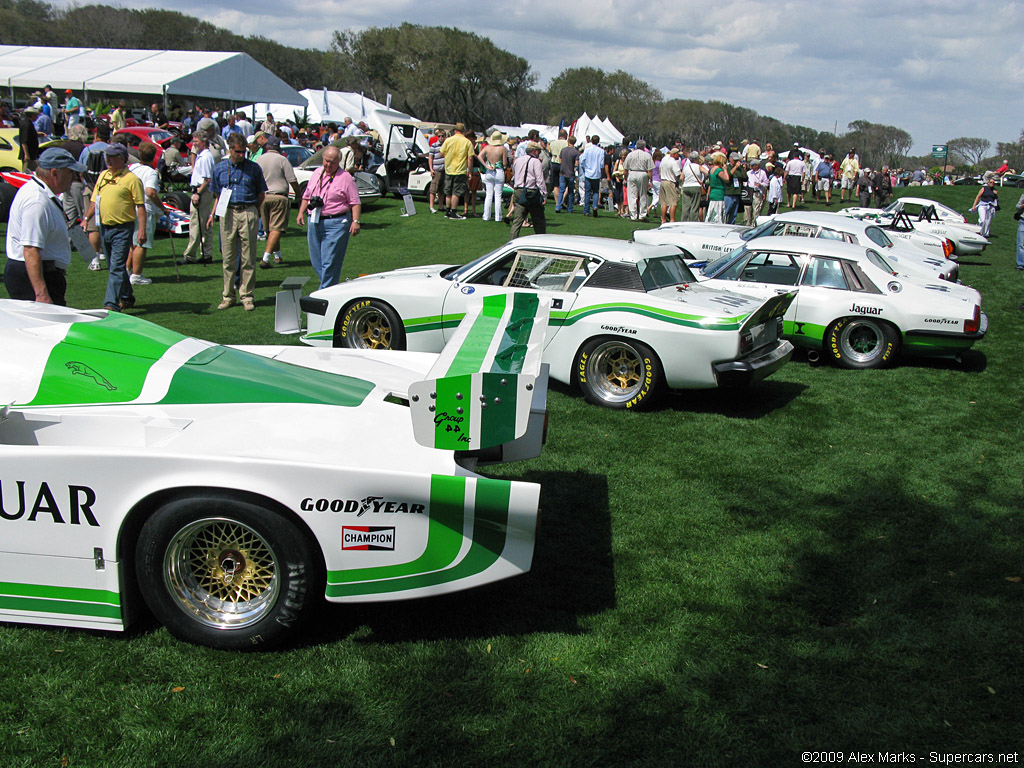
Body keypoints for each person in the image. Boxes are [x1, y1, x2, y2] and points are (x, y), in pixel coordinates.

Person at [4, 147, 84, 305]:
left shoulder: (41, 192)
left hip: (39, 273)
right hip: (34, 275)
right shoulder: (37, 201)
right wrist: (41, 294)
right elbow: (31, 250)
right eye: (70, 172)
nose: (74, 177)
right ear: (55, 173)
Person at [83, 143, 146, 313]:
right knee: (114, 267)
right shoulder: (103, 175)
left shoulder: (132, 179)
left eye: (112, 157)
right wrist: (86, 218)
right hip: (104, 227)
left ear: (123, 159)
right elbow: (94, 200)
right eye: (107, 157)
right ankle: (126, 296)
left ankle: (110, 304)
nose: (108, 160)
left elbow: (140, 206)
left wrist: (142, 230)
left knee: (117, 267)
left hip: (122, 229)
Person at [207, 133, 267, 310]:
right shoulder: (219, 168)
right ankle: (228, 295)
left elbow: (261, 194)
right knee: (228, 258)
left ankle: (247, 296)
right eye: (238, 152)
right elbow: (217, 195)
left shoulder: (254, 168)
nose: (242, 155)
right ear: (230, 149)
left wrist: (253, 211)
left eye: (244, 152)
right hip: (227, 213)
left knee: (248, 257)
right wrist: (213, 215)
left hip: (248, 211)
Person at [297, 146, 361, 290]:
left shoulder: (345, 178)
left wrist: (356, 221)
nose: (328, 165)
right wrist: (301, 212)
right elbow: (307, 196)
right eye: (326, 161)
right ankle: (331, 288)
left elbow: (355, 202)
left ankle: (324, 292)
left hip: (336, 222)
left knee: (330, 260)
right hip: (314, 219)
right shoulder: (316, 173)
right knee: (316, 260)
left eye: (332, 162)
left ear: (338, 161)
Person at [256, 137, 301, 269]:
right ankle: (265, 258)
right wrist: (299, 195)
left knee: (270, 228)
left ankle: (277, 255)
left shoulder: (259, 159)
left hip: (264, 197)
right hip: (279, 196)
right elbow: (292, 179)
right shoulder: (282, 159)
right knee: (276, 228)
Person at [127, 141, 168, 286]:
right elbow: (150, 192)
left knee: (133, 242)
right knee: (141, 243)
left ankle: (128, 269)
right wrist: (162, 207)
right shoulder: (150, 172)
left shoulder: (132, 168)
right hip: (145, 208)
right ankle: (137, 275)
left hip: (130, 207)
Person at [177, 133, 216, 266]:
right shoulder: (203, 156)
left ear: (204, 142)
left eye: (196, 141)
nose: (194, 144)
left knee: (196, 223)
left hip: (201, 191)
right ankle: (206, 253)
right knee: (204, 224)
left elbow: (207, 179)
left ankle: (190, 255)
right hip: (201, 191)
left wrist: (198, 193)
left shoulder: (205, 158)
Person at [508, 141, 547, 240]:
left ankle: (512, 243)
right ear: (534, 151)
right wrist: (544, 195)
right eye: (538, 151)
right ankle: (542, 242)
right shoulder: (536, 161)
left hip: (518, 190)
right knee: (539, 221)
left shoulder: (518, 160)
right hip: (531, 192)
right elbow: (540, 180)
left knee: (517, 221)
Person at [440, 122, 473, 220]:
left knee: (448, 192)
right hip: (460, 170)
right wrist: (469, 172)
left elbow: (441, 153)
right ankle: (454, 212)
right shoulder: (467, 142)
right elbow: (470, 158)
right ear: (463, 131)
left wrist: (449, 156)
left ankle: (447, 210)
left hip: (449, 169)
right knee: (456, 192)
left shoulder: (448, 140)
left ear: (455, 130)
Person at [478, 131, 508, 222]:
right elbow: (505, 163)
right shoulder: (502, 149)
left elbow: (479, 156)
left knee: (489, 194)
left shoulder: (487, 148)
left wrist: (486, 165)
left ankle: (486, 215)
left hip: (489, 170)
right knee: (498, 196)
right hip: (499, 171)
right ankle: (498, 217)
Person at [623, 140, 654, 220]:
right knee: (643, 194)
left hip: (632, 173)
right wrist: (651, 180)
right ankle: (642, 215)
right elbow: (650, 170)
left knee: (632, 195)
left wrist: (625, 178)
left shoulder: (630, 154)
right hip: (643, 174)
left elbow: (625, 168)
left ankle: (633, 215)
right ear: (644, 146)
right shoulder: (647, 155)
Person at [580, 135, 605, 218]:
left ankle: (586, 210)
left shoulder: (587, 150)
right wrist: (601, 172)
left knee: (587, 192)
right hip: (596, 173)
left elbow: (582, 160)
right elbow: (601, 164)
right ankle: (594, 206)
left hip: (588, 173)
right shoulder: (601, 151)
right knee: (595, 192)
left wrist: (584, 168)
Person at [679, 151, 705, 222]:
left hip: (686, 186)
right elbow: (707, 173)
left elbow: (681, 178)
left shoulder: (686, 167)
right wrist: (703, 181)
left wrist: (684, 182)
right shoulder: (699, 166)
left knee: (686, 206)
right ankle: (693, 221)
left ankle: (683, 220)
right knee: (695, 206)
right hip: (696, 186)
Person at [557, 136, 580, 213]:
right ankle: (570, 208)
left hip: (562, 172)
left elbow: (560, 160)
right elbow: (576, 164)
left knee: (561, 191)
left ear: (568, 141)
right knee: (570, 192)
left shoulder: (563, 150)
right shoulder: (576, 152)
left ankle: (558, 206)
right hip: (570, 173)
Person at [658, 146, 681, 223]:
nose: (679, 156)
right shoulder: (673, 162)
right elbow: (677, 173)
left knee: (664, 203)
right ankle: (672, 219)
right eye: (678, 154)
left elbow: (660, 169)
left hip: (663, 181)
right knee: (673, 202)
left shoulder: (664, 159)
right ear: (674, 154)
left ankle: (663, 219)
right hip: (670, 182)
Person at [705, 153, 729, 223]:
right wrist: (725, 170)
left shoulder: (711, 170)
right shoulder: (719, 171)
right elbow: (727, 179)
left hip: (713, 191)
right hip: (718, 193)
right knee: (718, 212)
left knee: (712, 210)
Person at [723, 153, 746, 224]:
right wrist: (735, 167)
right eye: (734, 160)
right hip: (729, 193)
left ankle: (731, 224)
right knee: (726, 211)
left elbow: (745, 178)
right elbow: (728, 176)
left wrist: (743, 169)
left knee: (734, 213)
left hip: (737, 193)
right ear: (730, 159)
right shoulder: (727, 167)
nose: (736, 161)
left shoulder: (740, 169)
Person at [745, 158, 768, 224]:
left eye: (753, 165)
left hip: (757, 192)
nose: (751, 167)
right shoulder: (748, 173)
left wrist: (761, 184)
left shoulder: (762, 173)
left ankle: (755, 223)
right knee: (748, 209)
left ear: (757, 165)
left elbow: (766, 183)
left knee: (756, 209)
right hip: (749, 192)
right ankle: (747, 223)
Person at [1015, 191, 1024, 271]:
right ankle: (1021, 264)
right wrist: (1022, 205)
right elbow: (1017, 206)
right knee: (1020, 244)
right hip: (1023, 222)